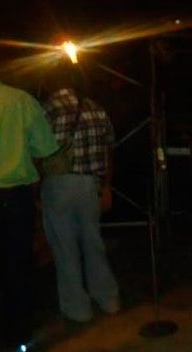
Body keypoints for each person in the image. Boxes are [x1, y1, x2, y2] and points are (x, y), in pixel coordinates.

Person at [0, 44, 59, 352]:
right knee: (16, 267)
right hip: (14, 196)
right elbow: (45, 148)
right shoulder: (20, 100)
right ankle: (17, 335)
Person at [40, 64, 120, 323]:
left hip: (59, 183)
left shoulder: (47, 109)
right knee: (93, 242)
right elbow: (109, 149)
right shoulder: (95, 108)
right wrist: (106, 186)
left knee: (65, 247)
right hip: (90, 184)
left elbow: (36, 150)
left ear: (51, 82)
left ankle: (78, 309)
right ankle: (108, 298)